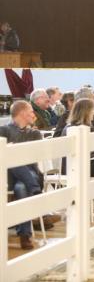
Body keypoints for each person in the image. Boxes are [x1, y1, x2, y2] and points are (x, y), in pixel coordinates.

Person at [0, 101, 43, 249]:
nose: (34, 114)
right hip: (8, 175)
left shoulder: (35, 133)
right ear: (22, 113)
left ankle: (24, 235)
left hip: (30, 171)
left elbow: (35, 157)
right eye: (31, 111)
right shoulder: (4, 130)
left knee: (22, 187)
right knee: (12, 159)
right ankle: (36, 190)